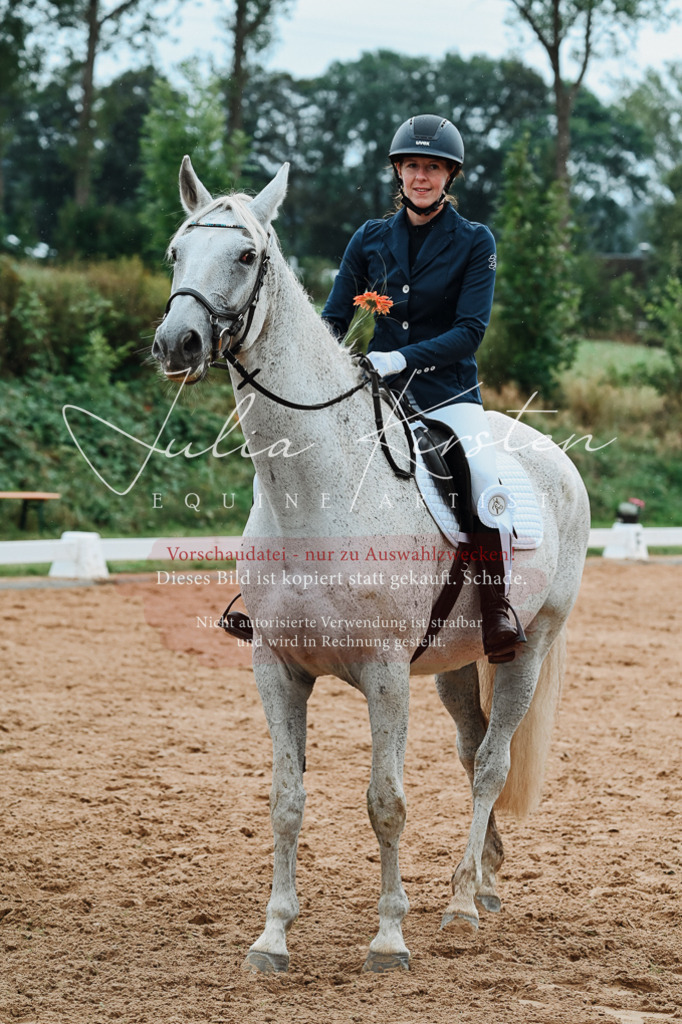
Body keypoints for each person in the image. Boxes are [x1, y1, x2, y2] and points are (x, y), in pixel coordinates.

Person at [322, 113, 526, 662]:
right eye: (413, 166)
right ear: (398, 171)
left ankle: (495, 608)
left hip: (449, 395)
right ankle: (275, 596)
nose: (421, 177)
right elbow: (335, 318)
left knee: (483, 483)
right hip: (378, 396)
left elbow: (470, 333)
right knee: (304, 455)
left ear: (449, 177)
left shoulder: (473, 241)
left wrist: (399, 356)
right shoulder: (369, 238)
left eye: (433, 168)